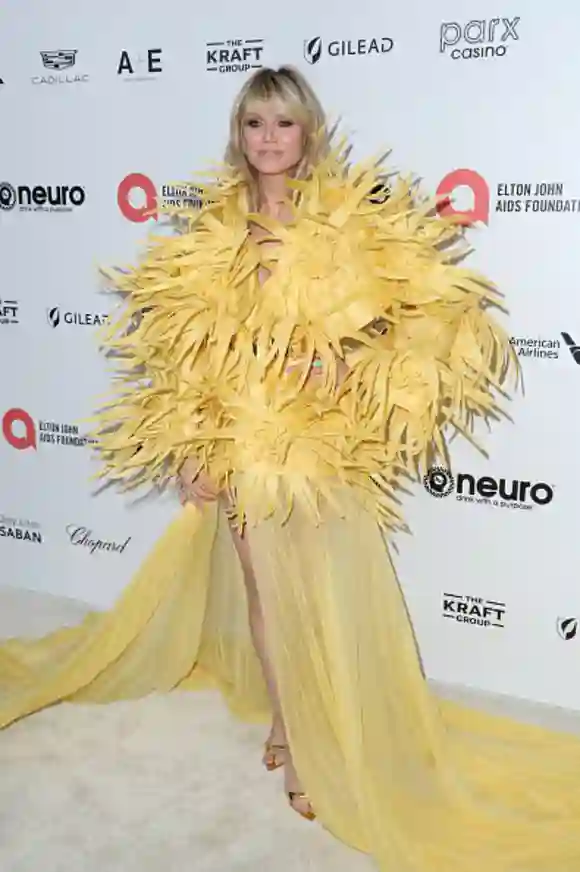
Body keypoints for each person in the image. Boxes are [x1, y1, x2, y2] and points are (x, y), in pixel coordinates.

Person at [3, 65, 580, 871]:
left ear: (308, 131)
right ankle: (290, 729)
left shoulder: (345, 221)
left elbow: (408, 320)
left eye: (283, 123)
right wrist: (188, 450)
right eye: (253, 124)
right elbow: (183, 355)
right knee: (265, 591)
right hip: (239, 433)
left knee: (321, 586)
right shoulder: (214, 227)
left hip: (316, 439)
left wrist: (341, 367)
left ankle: (320, 730)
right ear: (237, 136)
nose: (268, 139)